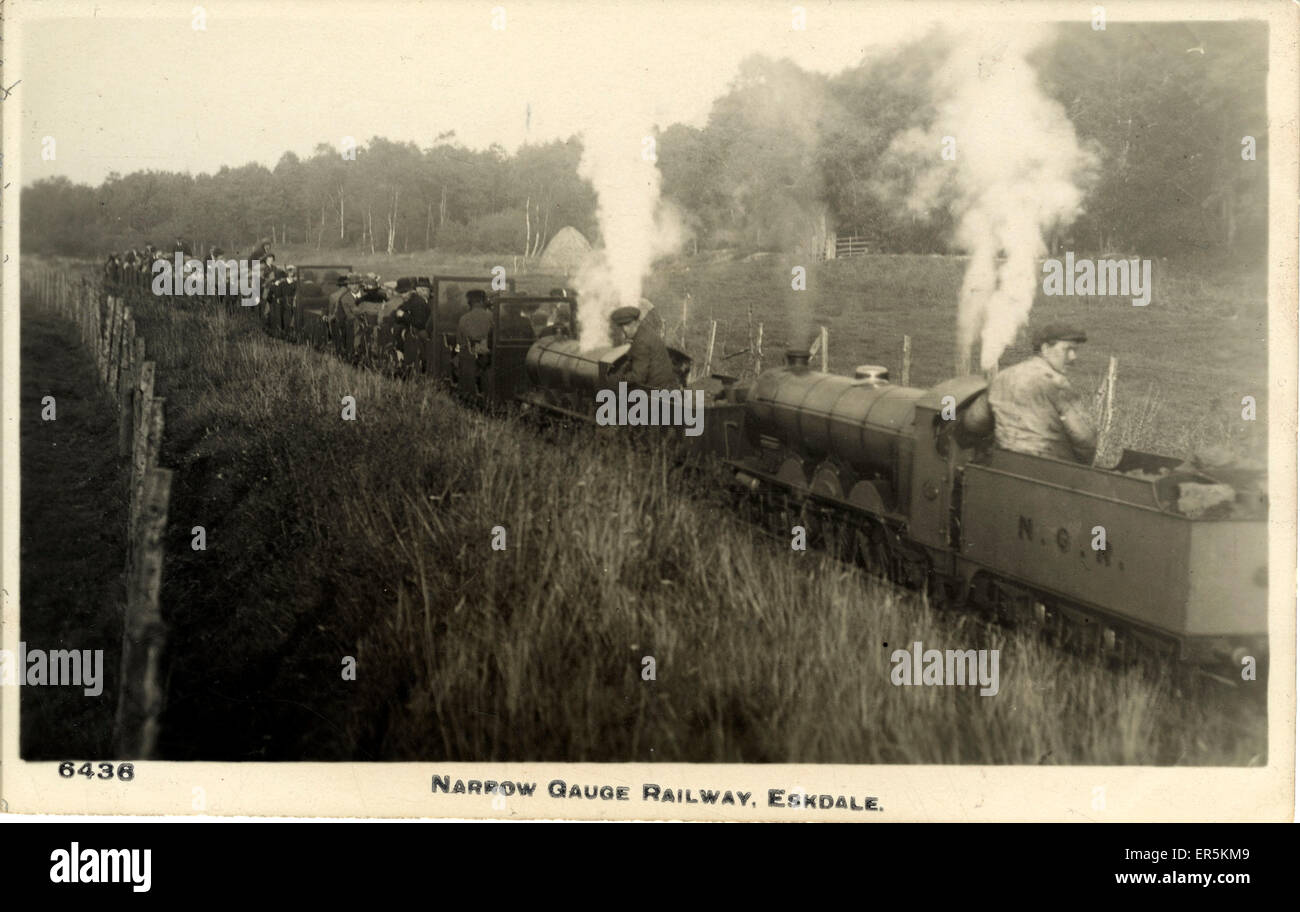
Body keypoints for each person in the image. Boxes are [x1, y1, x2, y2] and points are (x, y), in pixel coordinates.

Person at [967, 323, 1097, 464]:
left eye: (1075, 350)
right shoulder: (1057, 384)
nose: (1073, 357)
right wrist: (1082, 467)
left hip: (1004, 465)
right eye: (1068, 349)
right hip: (1051, 471)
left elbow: (973, 422)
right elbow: (1085, 438)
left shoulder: (1001, 377)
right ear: (1045, 348)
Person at [608, 302, 678, 389]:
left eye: (623, 328)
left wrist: (617, 380)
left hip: (657, 391)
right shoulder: (644, 331)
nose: (624, 331)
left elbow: (638, 377)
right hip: (666, 384)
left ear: (627, 327)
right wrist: (623, 369)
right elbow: (634, 356)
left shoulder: (641, 342)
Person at [456, 289, 494, 399]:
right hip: (489, 356)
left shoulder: (464, 318)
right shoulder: (492, 317)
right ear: (483, 301)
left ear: (469, 303)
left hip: (471, 357)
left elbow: (460, 341)